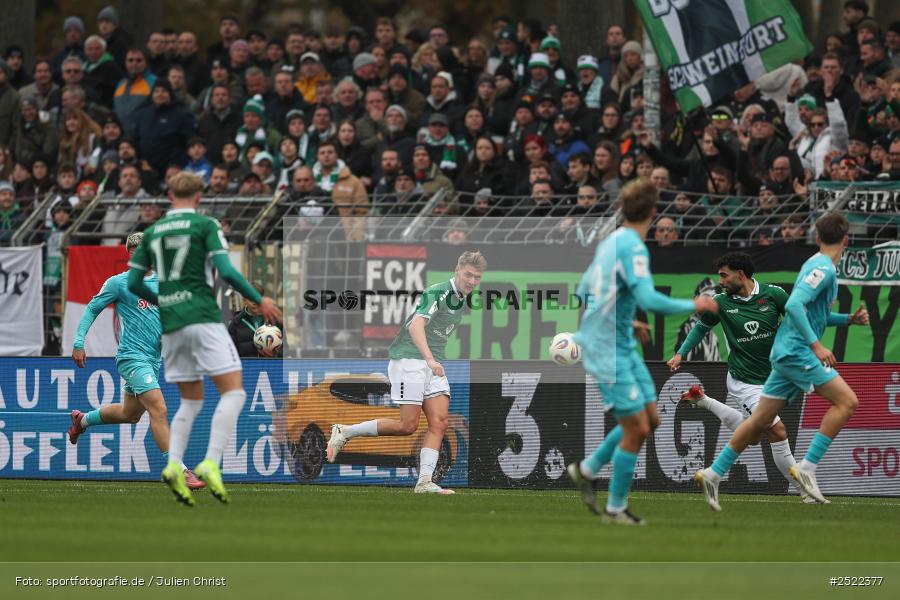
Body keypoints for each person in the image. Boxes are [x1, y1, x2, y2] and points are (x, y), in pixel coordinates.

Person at [567, 179, 717, 524]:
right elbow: (649, 300)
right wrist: (695, 302)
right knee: (635, 429)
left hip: (620, 343)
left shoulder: (610, 242)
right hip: (608, 350)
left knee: (651, 420)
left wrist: (620, 322)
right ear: (653, 213)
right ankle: (616, 508)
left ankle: (587, 469)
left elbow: (583, 289)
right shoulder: (633, 247)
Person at [127, 172, 282, 506]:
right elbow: (226, 271)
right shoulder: (206, 225)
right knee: (234, 392)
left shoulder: (152, 232)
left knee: (190, 401)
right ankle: (210, 462)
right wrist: (260, 298)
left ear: (170, 196)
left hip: (172, 325)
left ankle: (173, 465)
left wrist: (165, 300)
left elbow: (135, 283)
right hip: (203, 318)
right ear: (198, 197)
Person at [696, 213, 868, 511]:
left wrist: (848, 320)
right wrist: (816, 346)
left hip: (783, 355)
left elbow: (813, 313)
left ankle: (713, 473)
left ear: (816, 238)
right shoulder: (822, 268)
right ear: (846, 240)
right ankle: (807, 467)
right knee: (847, 402)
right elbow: (794, 305)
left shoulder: (815, 265)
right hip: (797, 352)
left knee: (760, 422)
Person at [327, 250, 488, 494]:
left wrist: (433, 361)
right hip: (410, 360)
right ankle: (346, 431)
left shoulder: (461, 299)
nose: (472, 281)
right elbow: (415, 325)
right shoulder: (439, 292)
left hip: (431, 364)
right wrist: (430, 359)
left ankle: (424, 482)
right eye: (468, 275)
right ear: (457, 270)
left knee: (440, 422)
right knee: (407, 425)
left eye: (477, 277)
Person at [667, 252, 811, 501]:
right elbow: (701, 327)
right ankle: (805, 489)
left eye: (724, 275)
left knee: (753, 436)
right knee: (777, 430)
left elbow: (798, 320)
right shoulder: (721, 302)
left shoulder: (773, 295)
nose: (720, 282)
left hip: (773, 379)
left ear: (740, 274)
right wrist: (680, 353)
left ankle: (703, 401)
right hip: (744, 381)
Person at [69, 232, 204, 490]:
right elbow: (92, 308)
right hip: (131, 357)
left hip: (153, 359)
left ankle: (82, 420)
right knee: (159, 409)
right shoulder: (120, 283)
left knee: (129, 414)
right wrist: (78, 342)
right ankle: (178, 469)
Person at [227, 283, 281, 357]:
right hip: (247, 367)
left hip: (270, 366)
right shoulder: (236, 323)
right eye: (250, 298)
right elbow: (230, 352)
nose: (254, 302)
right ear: (244, 301)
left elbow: (285, 349)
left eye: (256, 298)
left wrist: (274, 354)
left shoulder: (274, 320)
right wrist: (255, 346)